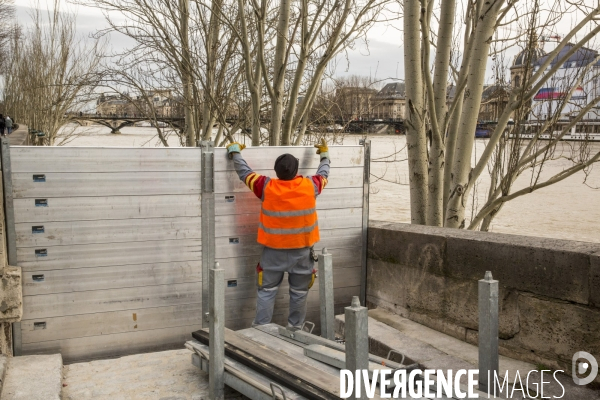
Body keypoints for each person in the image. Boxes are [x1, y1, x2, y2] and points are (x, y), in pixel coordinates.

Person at [227, 139, 330, 329]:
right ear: (296, 170)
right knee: (299, 293)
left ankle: (262, 331)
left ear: (276, 171)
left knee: (267, 291)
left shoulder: (266, 186)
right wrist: (324, 155)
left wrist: (235, 153)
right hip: (302, 254)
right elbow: (324, 174)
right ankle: (295, 331)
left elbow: (245, 173)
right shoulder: (311, 186)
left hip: (273, 254)